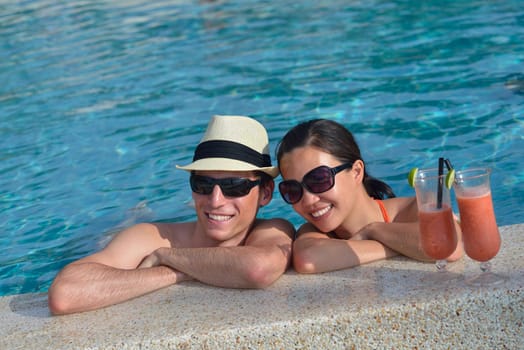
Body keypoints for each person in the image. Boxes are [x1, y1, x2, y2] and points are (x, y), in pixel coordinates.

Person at [48, 115, 295, 315]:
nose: (216, 200)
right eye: (203, 185)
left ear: (265, 193)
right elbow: (64, 294)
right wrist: (176, 270)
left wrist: (166, 257)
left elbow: (258, 269)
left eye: (234, 186)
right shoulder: (151, 236)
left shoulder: (271, 230)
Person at [276, 119, 463, 274]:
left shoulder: (418, 207)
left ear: (356, 172)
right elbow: (308, 259)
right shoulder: (314, 232)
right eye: (292, 190)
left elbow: (448, 246)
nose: (308, 200)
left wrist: (373, 230)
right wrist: (403, 245)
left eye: (319, 179)